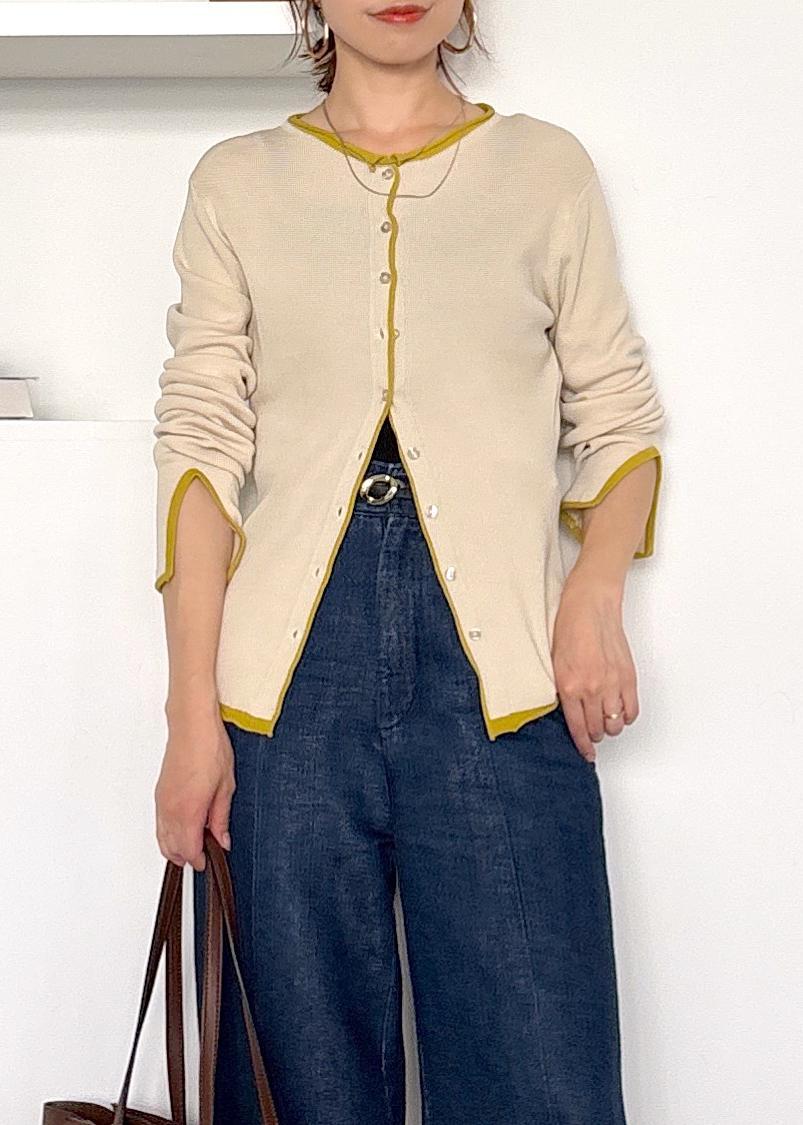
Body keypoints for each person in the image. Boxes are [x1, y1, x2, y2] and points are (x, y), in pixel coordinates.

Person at [151, 1, 666, 1122]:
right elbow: (199, 448)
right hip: (281, 696)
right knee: (293, 1082)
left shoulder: (543, 171)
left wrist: (592, 595)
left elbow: (619, 417)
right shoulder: (238, 183)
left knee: (539, 1072)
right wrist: (191, 719)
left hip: (504, 680)